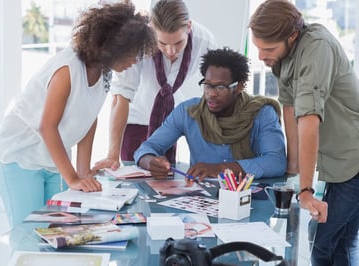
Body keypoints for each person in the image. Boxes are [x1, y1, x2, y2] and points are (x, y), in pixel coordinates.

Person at [0, 2, 156, 228]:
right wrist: (73, 178)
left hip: (51, 160)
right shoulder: (67, 70)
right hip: (20, 157)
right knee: (28, 235)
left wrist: (83, 171)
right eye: (132, 53)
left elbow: (90, 118)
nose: (135, 61)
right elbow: (47, 127)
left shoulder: (104, 73)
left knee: (58, 230)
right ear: (112, 48)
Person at [249, 1, 359, 265]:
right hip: (341, 161)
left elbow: (308, 120)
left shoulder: (317, 48)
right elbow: (289, 107)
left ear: (292, 36)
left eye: (269, 48)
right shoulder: (285, 56)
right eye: (258, 48)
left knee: (323, 242)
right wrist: (293, 169)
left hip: (354, 158)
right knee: (340, 242)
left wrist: (306, 190)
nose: (262, 56)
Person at [94, 0, 217, 170]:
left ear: (188, 27)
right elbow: (121, 94)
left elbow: (213, 90)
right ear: (152, 29)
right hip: (135, 121)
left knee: (166, 179)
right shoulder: (135, 40)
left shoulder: (205, 42)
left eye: (178, 43)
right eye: (163, 44)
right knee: (135, 183)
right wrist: (112, 155)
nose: (171, 52)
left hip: (170, 128)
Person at [134, 47, 287, 181]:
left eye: (220, 87)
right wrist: (150, 162)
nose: (211, 94)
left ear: (239, 86)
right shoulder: (188, 111)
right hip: (199, 200)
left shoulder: (261, 113)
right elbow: (147, 148)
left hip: (246, 200)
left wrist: (219, 169)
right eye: (207, 85)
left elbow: (276, 162)